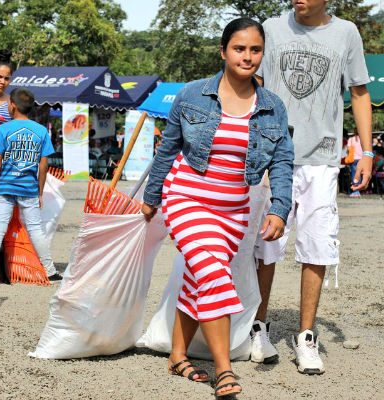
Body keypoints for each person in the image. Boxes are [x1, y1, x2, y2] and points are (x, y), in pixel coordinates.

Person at [142, 18, 293, 397]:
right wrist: (151, 196)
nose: (247, 56)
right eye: (239, 48)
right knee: (213, 274)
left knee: (198, 280)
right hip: (186, 197)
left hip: (233, 211)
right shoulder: (193, 94)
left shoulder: (273, 107)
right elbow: (168, 148)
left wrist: (279, 207)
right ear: (223, 51)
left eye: (255, 50)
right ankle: (224, 371)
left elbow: (282, 162)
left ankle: (178, 356)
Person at [251, 0, 373, 375]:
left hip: (321, 157)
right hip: (274, 153)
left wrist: (366, 151)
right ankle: (258, 327)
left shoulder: (346, 33)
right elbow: (251, 82)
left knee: (316, 245)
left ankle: (306, 336)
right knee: (264, 244)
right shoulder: (271, 28)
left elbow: (359, 92)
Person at [0, 88, 61, 288]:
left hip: (5, 188)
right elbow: (44, 166)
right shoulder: (41, 131)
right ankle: (51, 271)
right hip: (29, 189)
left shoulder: (4, 130)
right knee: (35, 230)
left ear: (11, 106)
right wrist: (39, 192)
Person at [347, 132, 363, 197]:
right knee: (360, 175)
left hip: (353, 159)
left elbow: (348, 149)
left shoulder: (351, 139)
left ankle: (355, 191)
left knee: (354, 175)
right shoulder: (362, 139)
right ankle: (359, 190)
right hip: (361, 159)